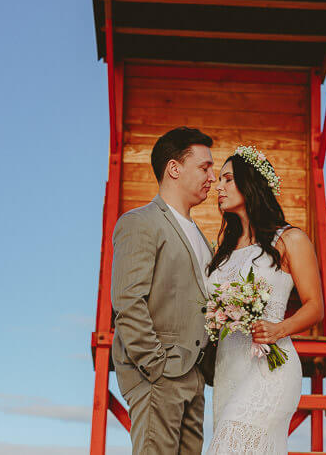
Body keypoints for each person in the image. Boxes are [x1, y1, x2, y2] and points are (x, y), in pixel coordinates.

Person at [205, 146, 324, 454]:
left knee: (229, 444)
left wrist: (278, 329)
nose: (218, 187)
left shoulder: (290, 239)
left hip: (271, 367)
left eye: (228, 179)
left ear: (252, 183)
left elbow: (315, 306)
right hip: (228, 368)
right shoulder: (223, 254)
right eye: (219, 180)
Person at [111, 126, 218, 454]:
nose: (212, 177)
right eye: (204, 167)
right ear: (174, 168)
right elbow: (128, 301)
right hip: (159, 375)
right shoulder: (140, 222)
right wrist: (158, 368)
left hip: (195, 377)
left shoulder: (204, 240)